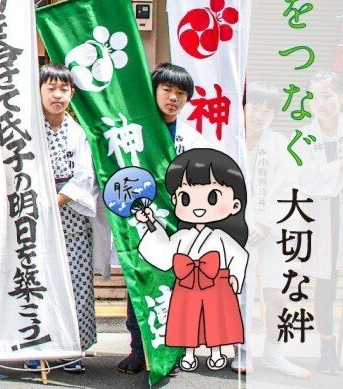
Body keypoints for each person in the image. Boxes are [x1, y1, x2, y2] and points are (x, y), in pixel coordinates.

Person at [119, 62, 210, 375]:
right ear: (154, 91)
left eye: (180, 93)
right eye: (167, 89)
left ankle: (170, 354)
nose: (173, 97)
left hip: (180, 228)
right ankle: (137, 349)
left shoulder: (193, 138)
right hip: (142, 226)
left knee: (176, 292)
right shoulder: (134, 133)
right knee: (139, 286)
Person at [135, 148, 248, 372]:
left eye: (212, 197)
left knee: (215, 319)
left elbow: (239, 255)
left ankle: (217, 352)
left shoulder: (220, 237)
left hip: (217, 283)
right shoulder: (182, 236)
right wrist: (149, 223)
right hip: (187, 284)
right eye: (186, 197)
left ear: (235, 204)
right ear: (175, 199)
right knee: (187, 319)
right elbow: (162, 252)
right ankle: (188, 353)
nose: (198, 206)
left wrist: (234, 275)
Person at [299, 71, 343, 376]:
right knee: (324, 288)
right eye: (315, 96)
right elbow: (305, 179)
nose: (321, 103)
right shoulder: (304, 136)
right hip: (322, 220)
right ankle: (327, 350)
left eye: (328, 95)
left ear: (341, 97)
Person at [243, 81, 312, 379]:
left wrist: (266, 223)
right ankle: (242, 352)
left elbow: (289, 190)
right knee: (240, 294)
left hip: (271, 232)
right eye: (254, 107)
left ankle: (273, 353)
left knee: (277, 293)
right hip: (235, 231)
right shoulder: (230, 140)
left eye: (267, 111)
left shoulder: (280, 146)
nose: (259, 115)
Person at [39, 63, 101, 372]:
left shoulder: (78, 133)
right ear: (39, 91)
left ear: (72, 93)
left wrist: (56, 199)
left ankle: (72, 348)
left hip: (71, 217)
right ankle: (41, 345)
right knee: (41, 280)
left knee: (75, 282)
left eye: (63, 89)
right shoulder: (29, 130)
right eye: (50, 88)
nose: (57, 95)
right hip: (36, 216)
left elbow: (85, 177)